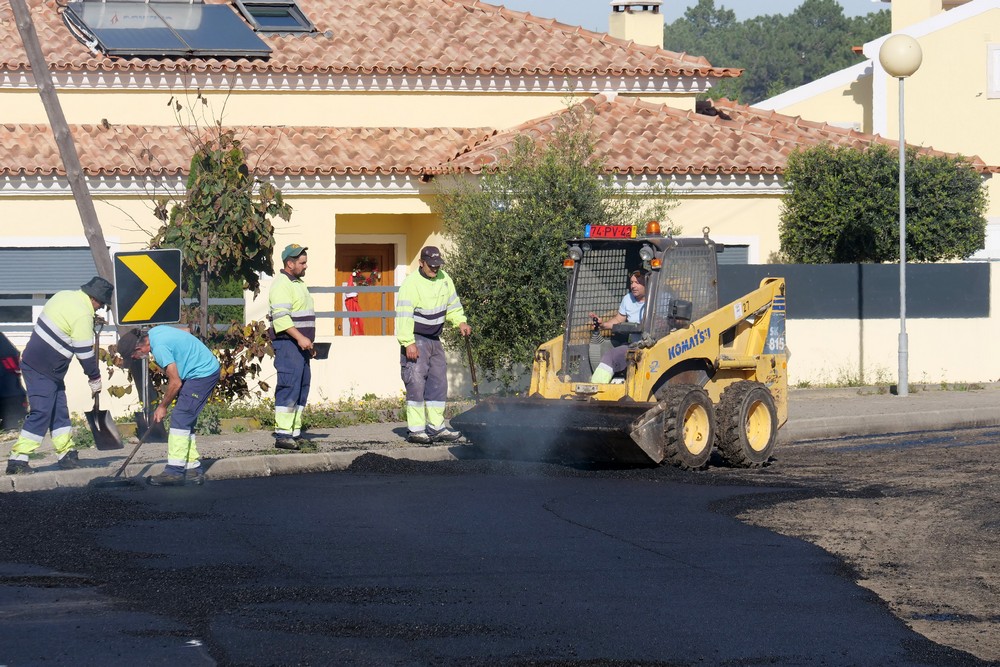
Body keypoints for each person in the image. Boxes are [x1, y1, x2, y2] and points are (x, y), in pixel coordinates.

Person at [6, 276, 113, 475]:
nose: (100, 308)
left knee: (59, 411)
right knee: (42, 412)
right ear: (94, 298)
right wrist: (95, 378)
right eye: (102, 303)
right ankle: (17, 460)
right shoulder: (82, 316)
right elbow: (84, 353)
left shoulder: (63, 296)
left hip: (42, 366)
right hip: (42, 370)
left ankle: (66, 455)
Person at [116, 325, 221, 486]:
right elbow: (185, 330)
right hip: (197, 371)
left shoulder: (159, 349)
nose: (136, 359)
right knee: (185, 421)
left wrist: (162, 406)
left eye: (134, 356)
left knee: (180, 418)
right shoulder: (154, 333)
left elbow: (175, 382)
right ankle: (192, 468)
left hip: (202, 373)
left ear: (139, 347)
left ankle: (174, 472)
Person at [395, 246, 471, 444]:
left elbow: (453, 305)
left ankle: (437, 428)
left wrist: (460, 321)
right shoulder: (411, 284)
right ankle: (416, 430)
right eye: (431, 266)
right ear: (421, 263)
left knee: (438, 383)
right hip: (416, 338)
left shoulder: (445, 279)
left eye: (438, 265)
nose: (435, 269)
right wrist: (408, 342)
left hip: (435, 339)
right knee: (416, 383)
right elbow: (404, 315)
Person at [268, 243, 315, 450]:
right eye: (302, 263)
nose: (306, 266)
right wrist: (300, 338)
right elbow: (281, 318)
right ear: (290, 264)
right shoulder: (282, 285)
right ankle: (283, 435)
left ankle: (294, 433)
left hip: (300, 346)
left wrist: (308, 343)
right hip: (288, 345)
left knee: (301, 387)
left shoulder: (298, 283)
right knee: (289, 386)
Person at [590, 270, 648, 384]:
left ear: (647, 283)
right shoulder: (627, 299)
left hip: (656, 345)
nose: (633, 286)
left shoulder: (660, 298)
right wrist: (603, 325)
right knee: (611, 355)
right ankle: (596, 389)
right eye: (631, 282)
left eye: (637, 282)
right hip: (635, 345)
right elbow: (618, 320)